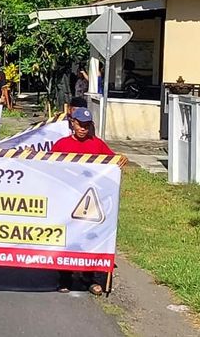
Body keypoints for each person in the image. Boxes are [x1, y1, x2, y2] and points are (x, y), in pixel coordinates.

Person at [51, 107, 127, 296]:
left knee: (92, 237)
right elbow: (48, 167)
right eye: (80, 125)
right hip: (68, 200)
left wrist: (122, 159)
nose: (83, 129)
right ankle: (65, 278)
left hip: (92, 202)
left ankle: (92, 279)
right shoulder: (61, 144)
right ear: (72, 123)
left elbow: (113, 162)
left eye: (87, 125)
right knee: (69, 238)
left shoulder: (97, 145)